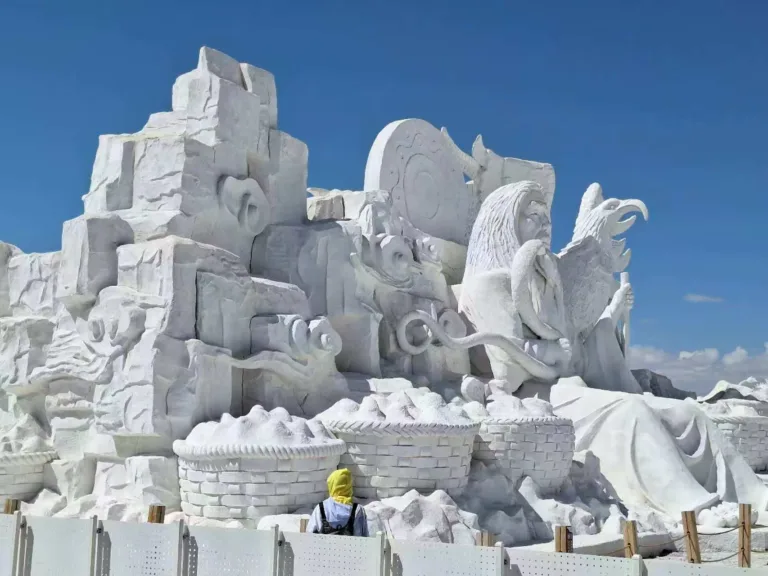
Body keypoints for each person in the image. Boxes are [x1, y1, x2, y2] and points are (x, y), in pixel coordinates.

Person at [306, 468, 369, 536]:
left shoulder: (321, 508)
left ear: (332, 485)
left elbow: (310, 534)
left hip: (324, 546)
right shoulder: (358, 510)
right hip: (350, 546)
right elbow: (363, 538)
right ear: (349, 486)